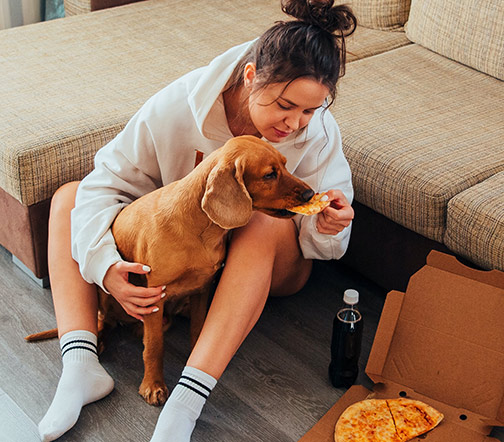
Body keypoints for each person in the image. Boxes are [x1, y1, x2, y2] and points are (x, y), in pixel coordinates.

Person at [37, 0, 357, 441]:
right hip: (179, 254)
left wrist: (330, 225)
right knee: (69, 198)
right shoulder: (178, 105)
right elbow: (105, 181)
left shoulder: (318, 134)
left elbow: (326, 235)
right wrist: (106, 268)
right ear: (250, 77)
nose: (296, 123)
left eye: (310, 110)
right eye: (286, 105)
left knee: (257, 221)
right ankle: (80, 365)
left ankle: (186, 401)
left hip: (272, 264)